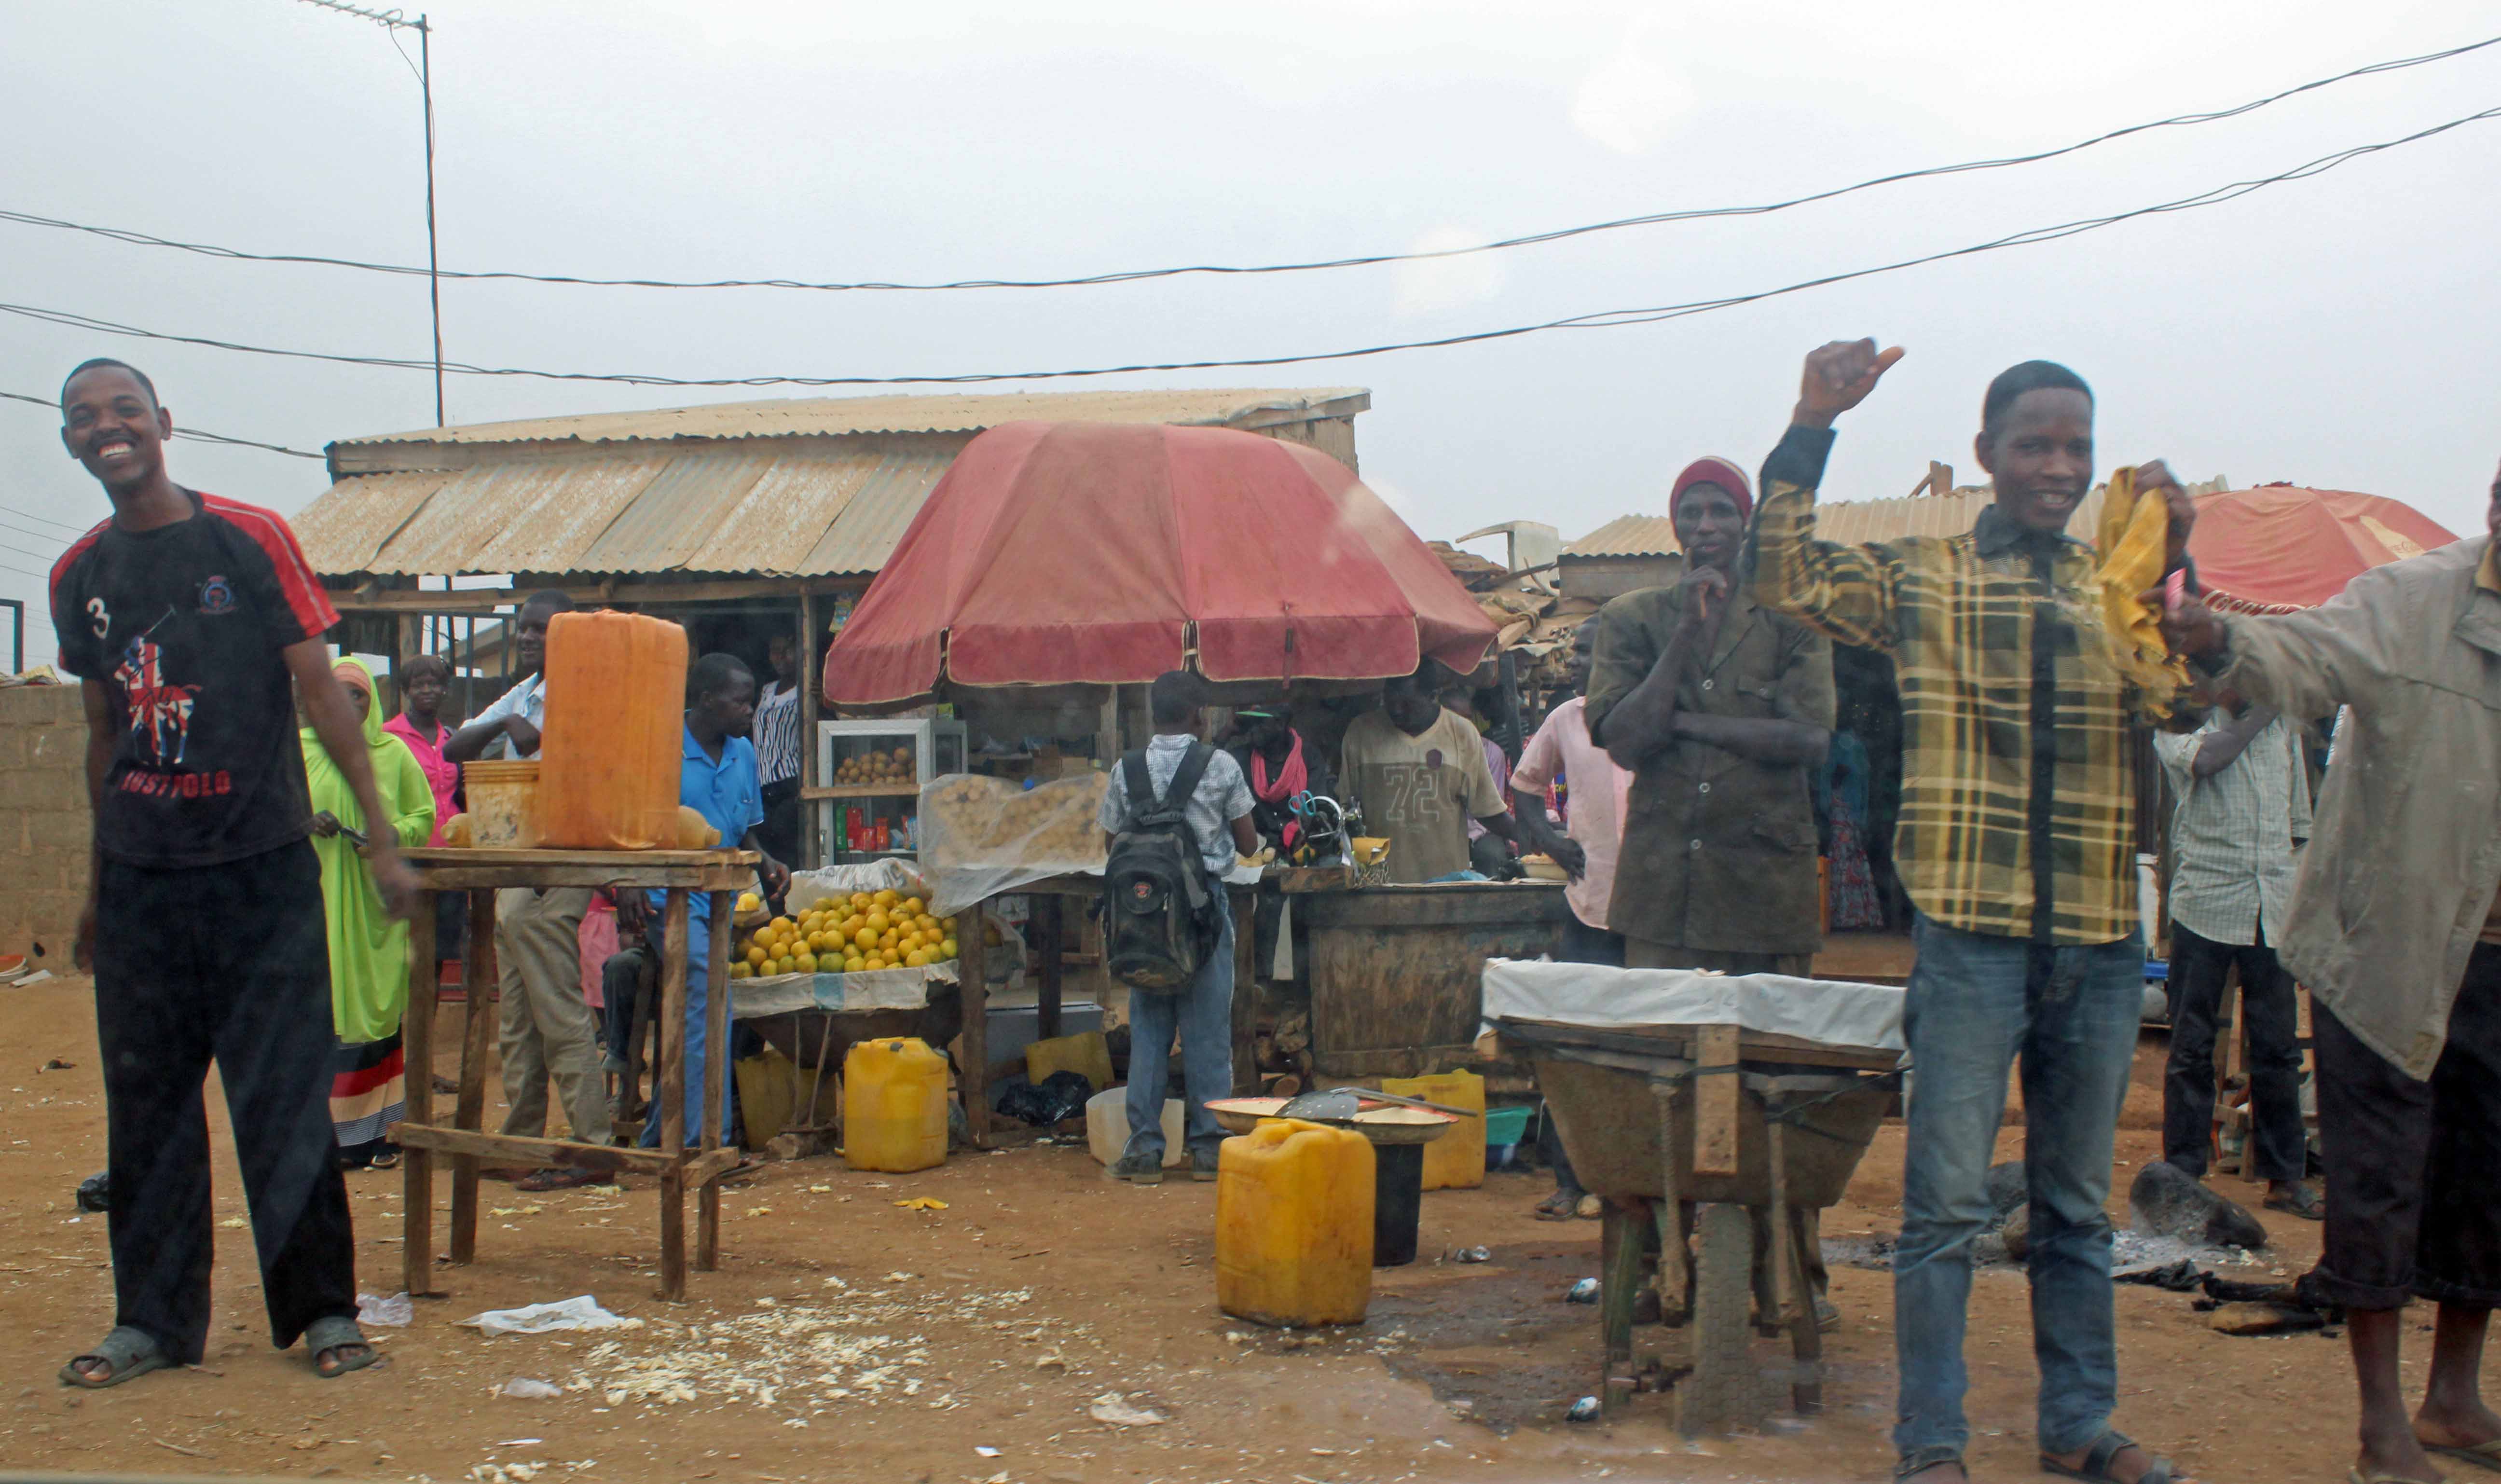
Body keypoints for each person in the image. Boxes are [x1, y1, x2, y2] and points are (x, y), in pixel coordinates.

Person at [1751, 339, 2205, 1484]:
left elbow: (2180, 698)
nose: (2056, 466)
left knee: (2071, 1208)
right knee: (1943, 1205)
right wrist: (1812, 419)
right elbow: (1783, 573)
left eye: (2076, 449)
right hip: (1969, 937)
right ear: (1986, 457)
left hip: (2100, 943)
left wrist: (2172, 568)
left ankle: (2074, 1425)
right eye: (2033, 444)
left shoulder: (2110, 588)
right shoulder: (1925, 580)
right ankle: (1932, 1444)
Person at [49, 357, 403, 1387]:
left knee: (283, 1099)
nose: (106, 428)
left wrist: (380, 835)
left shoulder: (248, 538)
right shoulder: (80, 574)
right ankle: (151, 1321)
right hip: (143, 878)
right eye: (83, 418)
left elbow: (325, 697)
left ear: (164, 421)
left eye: (123, 410)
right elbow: (102, 732)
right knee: (147, 1102)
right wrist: (92, 883)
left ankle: (325, 1312)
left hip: (260, 871)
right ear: (69, 442)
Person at [2157, 459, 2501, 1484]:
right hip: (2382, 945)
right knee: (2379, 1185)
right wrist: (2215, 633)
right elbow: (2296, 654)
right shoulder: (2411, 601)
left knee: (2486, 1184)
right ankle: (2381, 1423)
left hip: (2494, 961)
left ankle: (2454, 1397)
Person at [1585, 453, 1840, 1326]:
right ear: (1672, 525)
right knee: (1659, 1081)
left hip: (1763, 887)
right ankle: (1663, 1262)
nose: (1705, 528)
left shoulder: (1792, 621)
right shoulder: (1631, 619)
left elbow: (1807, 738)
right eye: (1690, 512)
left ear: (1744, 526)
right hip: (1663, 893)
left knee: (1782, 1082)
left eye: (1720, 513)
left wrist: (1686, 724)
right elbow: (1622, 739)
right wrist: (1685, 646)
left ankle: (1789, 1268)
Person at [446, 591, 612, 1187]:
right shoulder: (524, 694)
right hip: (521, 854)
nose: (526, 638)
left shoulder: (587, 697)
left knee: (558, 1007)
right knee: (517, 1011)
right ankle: (522, 1137)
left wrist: (530, 735)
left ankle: (594, 1147)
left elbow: (583, 770)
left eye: (541, 630)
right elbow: (453, 748)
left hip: (562, 857)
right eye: (523, 629)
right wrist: (506, 723)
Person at [2150, 691, 2321, 1219]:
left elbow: (2298, 826)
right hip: (2207, 900)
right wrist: (2264, 711)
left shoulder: (2284, 728)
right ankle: (2182, 1174)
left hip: (2271, 904)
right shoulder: (2179, 721)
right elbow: (2207, 759)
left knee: (2277, 1049)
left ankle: (2284, 1179)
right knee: (2191, 1045)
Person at [1098, 671, 1257, 1184]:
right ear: (1199, 715)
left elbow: (1110, 843)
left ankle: (1144, 1149)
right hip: (1203, 914)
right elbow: (1249, 843)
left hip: (1144, 918)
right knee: (1207, 1031)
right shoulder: (1221, 766)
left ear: (1152, 714)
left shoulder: (1127, 769)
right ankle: (1209, 1148)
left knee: (1149, 1031)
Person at [626, 653, 791, 1146]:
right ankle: (704, 1138)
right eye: (741, 701)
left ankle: (665, 1133)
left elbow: (746, 833)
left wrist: (766, 861)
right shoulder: (659, 747)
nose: (749, 711)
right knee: (706, 999)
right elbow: (628, 824)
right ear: (704, 700)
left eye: (753, 701)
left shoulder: (742, 753)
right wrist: (627, 881)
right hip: (668, 896)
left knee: (707, 1009)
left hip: (723, 899)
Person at [1507, 623, 1631, 1220]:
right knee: (1575, 1045)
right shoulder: (1565, 720)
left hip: (1654, 912)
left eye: (1591, 649)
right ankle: (1568, 1178)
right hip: (1589, 905)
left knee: (1643, 1050)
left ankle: (1631, 1182)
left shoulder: (1653, 717)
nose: (1577, 661)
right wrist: (1551, 842)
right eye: (1577, 651)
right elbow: (1525, 788)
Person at [307, 658, 438, 1171]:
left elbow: (422, 816)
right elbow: (274, 810)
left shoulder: (393, 754)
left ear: (372, 703)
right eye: (337, 695)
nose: (348, 705)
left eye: (357, 696)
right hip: (318, 897)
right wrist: (306, 821)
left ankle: (380, 1132)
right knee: (326, 1010)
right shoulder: (300, 751)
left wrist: (383, 839)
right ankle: (331, 1138)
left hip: (374, 904)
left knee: (378, 1008)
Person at [1337, 668, 1519, 883]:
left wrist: (1534, 837)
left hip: (1445, 885)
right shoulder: (1361, 734)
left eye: (1407, 704)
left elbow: (1488, 810)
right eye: (1390, 702)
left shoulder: (1462, 734)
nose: (1396, 711)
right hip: (1379, 886)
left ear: (1433, 696)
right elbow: (1345, 810)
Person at [383, 651, 464, 965]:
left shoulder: (452, 738)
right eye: (419, 685)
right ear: (406, 691)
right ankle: (405, 1016)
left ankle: (428, 1015)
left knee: (439, 955)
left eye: (435, 684)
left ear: (444, 690)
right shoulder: (390, 737)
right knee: (407, 950)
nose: (427, 691)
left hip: (450, 857)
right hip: (411, 855)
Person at [1223, 703, 1333, 856]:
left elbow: (1318, 806)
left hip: (1300, 851)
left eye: (1259, 723)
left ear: (1280, 724)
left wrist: (1308, 830)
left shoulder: (1309, 757)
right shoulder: (1241, 758)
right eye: (1250, 724)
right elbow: (1208, 771)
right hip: (1255, 854)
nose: (1252, 730)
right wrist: (1226, 733)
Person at [1444, 687, 1518, 877]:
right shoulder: (1432, 751)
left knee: (1492, 855)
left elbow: (1490, 808)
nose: (1462, 725)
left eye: (1467, 718)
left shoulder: (1492, 753)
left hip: (1480, 831)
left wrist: (1469, 837)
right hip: (1440, 830)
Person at [753, 631, 805, 873]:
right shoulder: (766, 690)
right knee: (765, 858)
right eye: (775, 651)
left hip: (790, 786)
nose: (781, 657)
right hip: (762, 789)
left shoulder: (806, 689)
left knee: (787, 856)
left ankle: (793, 910)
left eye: (787, 651)